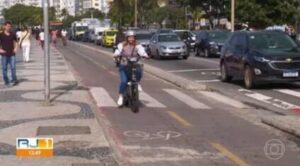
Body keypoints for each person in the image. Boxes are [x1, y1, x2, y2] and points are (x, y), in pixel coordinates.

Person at [113, 30, 149, 107]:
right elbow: (117, 51)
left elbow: (142, 51)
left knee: (139, 70)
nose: (131, 39)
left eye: (133, 37)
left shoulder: (137, 45)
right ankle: (121, 96)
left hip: (134, 63)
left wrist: (145, 55)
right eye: (129, 37)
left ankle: (137, 83)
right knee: (124, 81)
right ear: (127, 38)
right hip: (124, 65)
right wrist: (116, 55)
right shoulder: (122, 45)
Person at [0, 21, 18, 86]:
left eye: (10, 26)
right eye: (7, 26)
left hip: (12, 54)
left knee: (13, 67)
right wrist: (0, 50)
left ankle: (13, 80)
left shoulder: (12, 34)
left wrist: (15, 48)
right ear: (4, 26)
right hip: (4, 54)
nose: (9, 27)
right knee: (4, 68)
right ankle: (6, 81)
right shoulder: (1, 35)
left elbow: (16, 41)